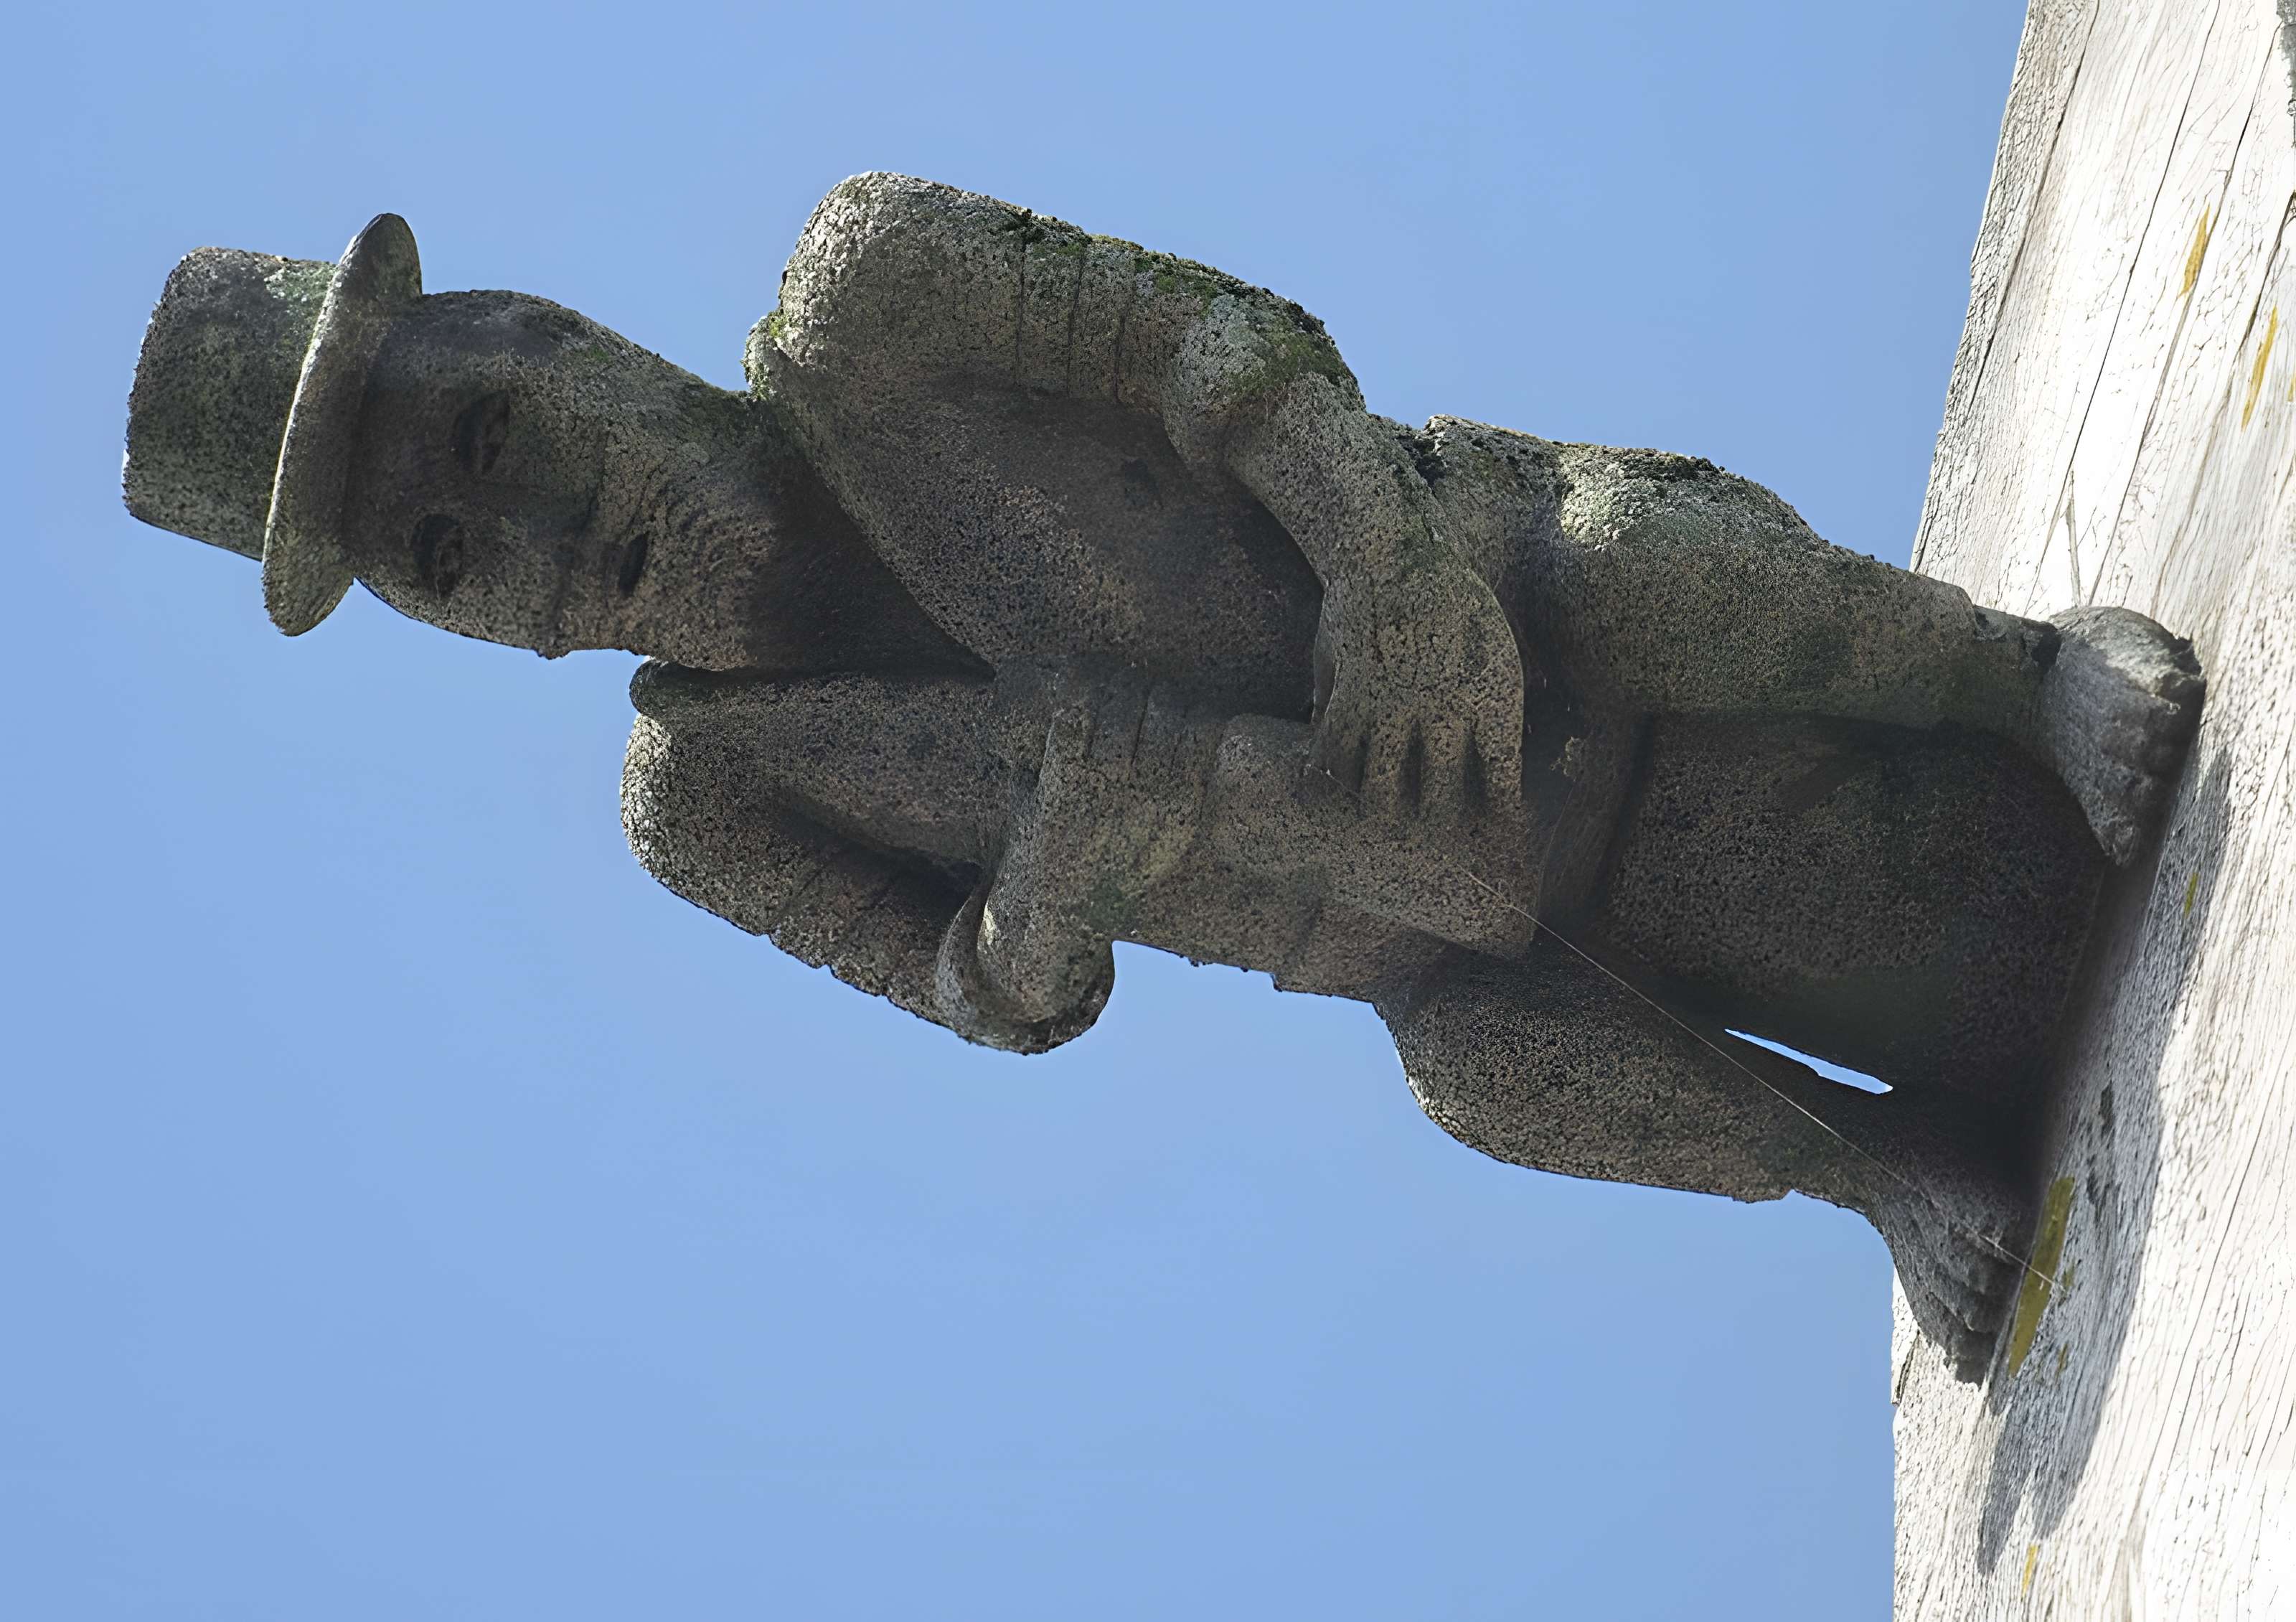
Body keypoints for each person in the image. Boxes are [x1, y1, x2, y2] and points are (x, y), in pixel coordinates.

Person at [124, 179, 2204, 1375]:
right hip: (1406, 908)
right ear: (476, 627)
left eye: (489, 437)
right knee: (1482, 1076)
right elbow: (985, 992)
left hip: (1485, 602)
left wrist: (1385, 564)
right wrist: (1050, 879)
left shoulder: (866, 298)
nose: (534, 531)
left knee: (1641, 570)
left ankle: (2016, 672)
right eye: (442, 562)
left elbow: (1219, 341)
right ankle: (1859, 1170)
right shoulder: (708, 807)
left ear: (553, 339)